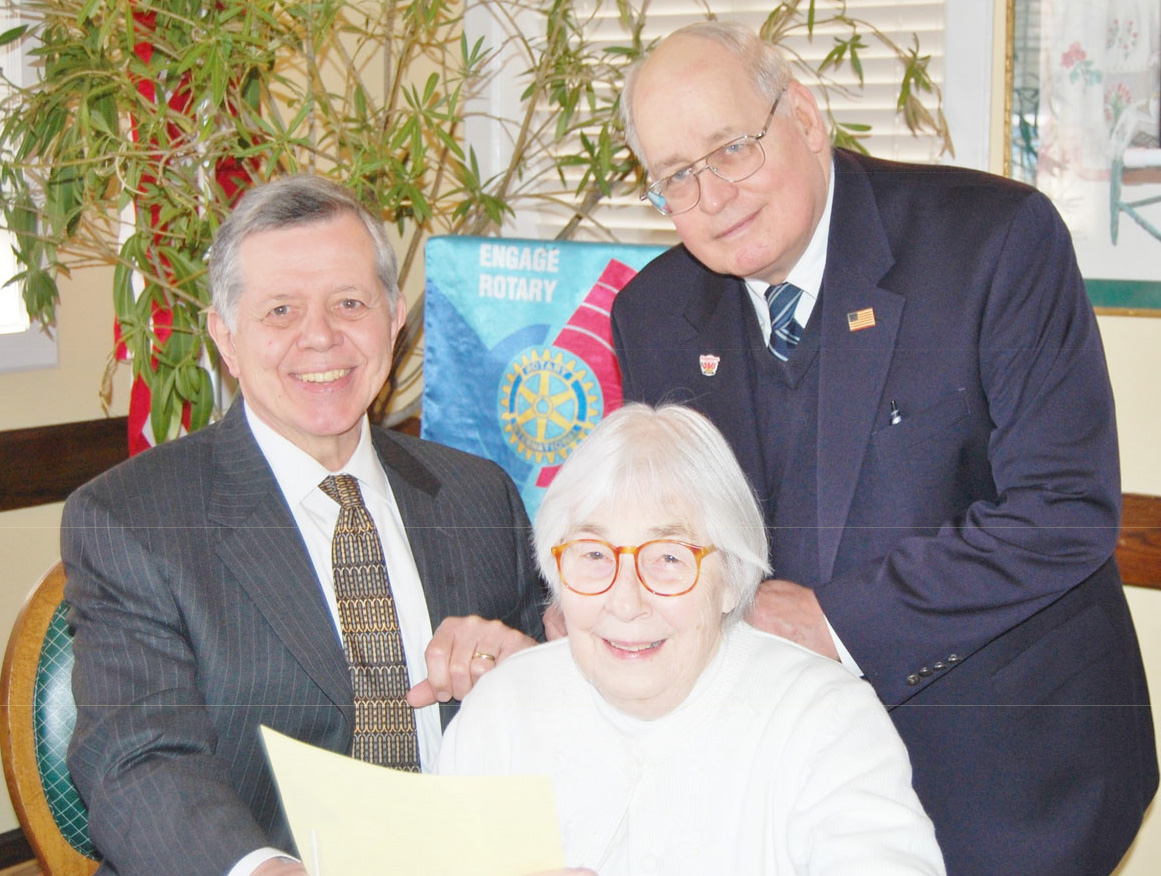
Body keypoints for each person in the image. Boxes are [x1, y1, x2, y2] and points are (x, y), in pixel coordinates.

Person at [607, 20, 1158, 876]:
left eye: (730, 149)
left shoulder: (993, 240)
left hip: (1012, 776)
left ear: (804, 116)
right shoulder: (651, 313)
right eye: (675, 176)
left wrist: (834, 619)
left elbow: (1062, 514)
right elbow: (664, 532)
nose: (711, 196)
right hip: (786, 785)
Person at [62, 175, 545, 876]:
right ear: (226, 339)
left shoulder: (478, 495)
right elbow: (138, 757)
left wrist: (523, 667)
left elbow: (566, 703)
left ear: (394, 319)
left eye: (349, 303)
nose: (320, 337)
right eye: (281, 310)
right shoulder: (135, 521)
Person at [440, 403, 945, 876]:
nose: (626, 601)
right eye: (594, 555)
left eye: (669, 558)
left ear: (729, 579)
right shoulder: (503, 711)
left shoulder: (823, 718)